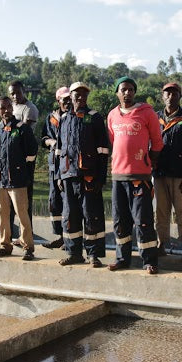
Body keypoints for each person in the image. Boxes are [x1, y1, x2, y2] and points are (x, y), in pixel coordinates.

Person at [106, 76, 164, 274]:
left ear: (134, 92)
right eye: (123, 89)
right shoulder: (112, 115)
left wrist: (149, 162)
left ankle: (149, 261)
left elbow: (157, 142)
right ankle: (122, 258)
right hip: (118, 177)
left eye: (130, 89)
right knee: (120, 220)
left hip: (140, 176)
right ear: (117, 93)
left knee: (143, 219)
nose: (127, 93)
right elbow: (113, 142)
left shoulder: (146, 113)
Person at [58, 82, 109, 267]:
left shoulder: (94, 118)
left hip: (89, 177)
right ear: (70, 97)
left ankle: (93, 254)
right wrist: (59, 175)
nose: (80, 98)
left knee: (91, 215)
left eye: (84, 95)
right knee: (70, 216)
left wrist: (101, 177)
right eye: (77, 95)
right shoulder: (64, 119)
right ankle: (74, 253)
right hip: (68, 175)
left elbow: (103, 150)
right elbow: (59, 149)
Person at [154, 82, 182, 261]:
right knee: (161, 211)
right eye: (167, 93)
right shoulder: (155, 117)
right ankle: (161, 243)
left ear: (180, 96)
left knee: (181, 211)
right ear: (162, 96)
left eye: (174, 93)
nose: (170, 97)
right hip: (160, 173)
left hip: (180, 174)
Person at [0, 96, 37, 260]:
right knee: (2, 214)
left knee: (22, 214)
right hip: (1, 179)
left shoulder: (22, 128)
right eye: (2, 108)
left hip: (17, 180)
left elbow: (32, 152)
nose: (6, 111)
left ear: (12, 108)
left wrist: (25, 173)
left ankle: (28, 247)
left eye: (8, 107)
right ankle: (4, 245)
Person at [41, 86, 71, 249]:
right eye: (64, 99)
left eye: (69, 99)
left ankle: (70, 238)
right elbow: (44, 137)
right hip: (54, 164)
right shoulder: (51, 118)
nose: (67, 102)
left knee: (69, 201)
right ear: (58, 100)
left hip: (68, 165)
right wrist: (51, 142)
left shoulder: (73, 116)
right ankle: (59, 236)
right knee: (54, 201)